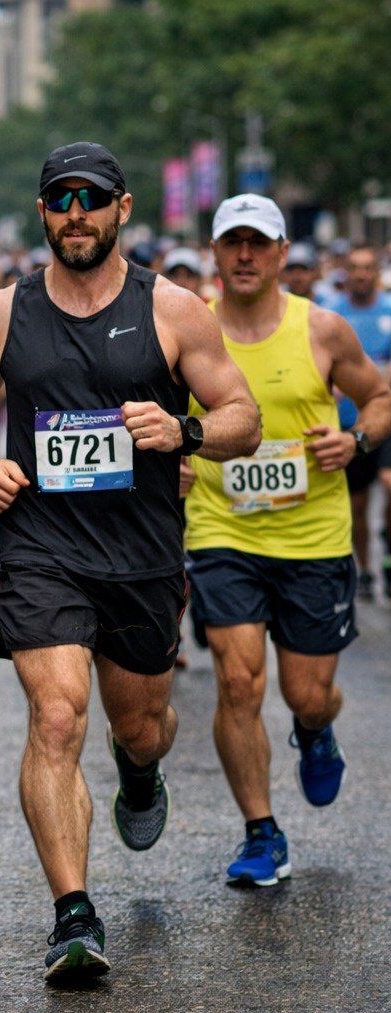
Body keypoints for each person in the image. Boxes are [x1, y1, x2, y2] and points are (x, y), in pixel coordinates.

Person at [0, 142, 260, 983]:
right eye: (58, 199)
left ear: (122, 208)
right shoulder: (2, 312)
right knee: (55, 718)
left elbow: (243, 416)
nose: (74, 212)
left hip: (143, 556)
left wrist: (184, 430)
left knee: (139, 725)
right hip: (43, 547)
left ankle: (140, 771)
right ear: (42, 212)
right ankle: (73, 917)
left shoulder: (176, 308)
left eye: (91, 198)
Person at [186, 195, 391, 887]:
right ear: (215, 252)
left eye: (258, 243)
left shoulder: (323, 330)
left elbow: (381, 397)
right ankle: (260, 831)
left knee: (308, 694)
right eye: (232, 242)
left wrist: (356, 437)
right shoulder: (187, 330)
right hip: (221, 531)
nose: (244, 255)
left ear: (281, 254)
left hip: (312, 537)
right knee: (238, 680)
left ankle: (315, 729)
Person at [324, 244, 391, 600]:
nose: (362, 274)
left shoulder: (389, 310)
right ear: (344, 272)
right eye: (354, 267)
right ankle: (365, 568)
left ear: (376, 272)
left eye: (368, 268)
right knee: (359, 505)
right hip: (349, 425)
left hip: (386, 417)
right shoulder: (331, 316)